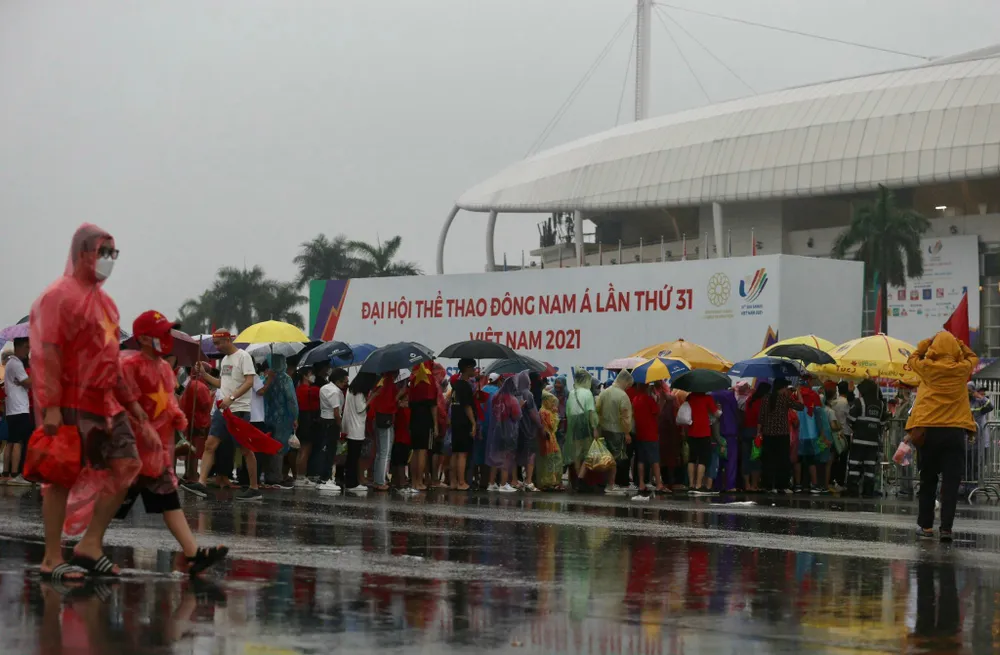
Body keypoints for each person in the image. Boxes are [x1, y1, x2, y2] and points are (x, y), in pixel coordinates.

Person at [30, 223, 146, 580]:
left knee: (126, 465)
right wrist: (51, 403)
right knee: (61, 474)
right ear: (82, 253)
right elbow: (48, 351)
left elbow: (112, 360)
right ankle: (52, 556)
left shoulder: (107, 304)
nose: (109, 260)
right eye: (103, 253)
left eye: (114, 254)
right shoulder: (58, 295)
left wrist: (133, 404)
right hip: (70, 399)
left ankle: (90, 543)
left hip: (105, 401)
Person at [117, 311, 228, 575]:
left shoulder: (165, 372)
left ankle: (192, 554)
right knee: (112, 500)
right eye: (160, 334)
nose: (165, 340)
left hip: (154, 452)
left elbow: (169, 405)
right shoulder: (129, 365)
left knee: (168, 500)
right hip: (132, 448)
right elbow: (121, 399)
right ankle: (87, 546)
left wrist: (178, 422)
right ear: (143, 339)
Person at [906, 331, 978, 541]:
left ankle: (926, 526)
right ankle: (946, 528)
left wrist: (926, 343)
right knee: (951, 483)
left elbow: (912, 358)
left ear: (934, 349)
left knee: (928, 480)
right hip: (955, 431)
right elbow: (973, 357)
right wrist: (960, 345)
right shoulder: (962, 369)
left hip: (929, 431)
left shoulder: (927, 368)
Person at [180, 329, 262, 502]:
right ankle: (201, 483)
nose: (217, 347)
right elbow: (221, 383)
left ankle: (254, 488)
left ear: (227, 340)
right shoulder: (225, 360)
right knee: (210, 445)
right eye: (215, 344)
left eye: (219, 343)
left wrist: (231, 398)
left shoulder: (243, 356)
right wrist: (204, 374)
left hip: (239, 410)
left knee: (245, 449)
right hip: (222, 410)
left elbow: (249, 382)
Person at [757, 378, 803, 494]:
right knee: (782, 461)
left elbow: (761, 417)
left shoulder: (765, 399)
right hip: (782, 434)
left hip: (768, 434)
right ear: (782, 388)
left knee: (768, 461)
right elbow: (801, 406)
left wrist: (758, 433)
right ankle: (781, 485)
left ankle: (768, 486)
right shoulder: (784, 399)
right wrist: (798, 392)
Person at [261, 353, 298, 489]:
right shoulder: (285, 379)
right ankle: (276, 477)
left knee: (267, 445)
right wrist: (295, 417)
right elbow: (291, 400)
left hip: (266, 416)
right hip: (282, 418)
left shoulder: (267, 377)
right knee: (279, 446)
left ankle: (266, 474)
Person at [595, 370, 633, 494]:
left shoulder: (604, 393)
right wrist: (627, 432)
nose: (628, 387)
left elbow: (597, 410)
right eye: (628, 385)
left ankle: (603, 482)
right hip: (617, 431)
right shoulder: (623, 396)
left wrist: (598, 427)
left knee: (605, 457)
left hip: (603, 429)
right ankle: (611, 485)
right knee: (614, 459)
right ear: (625, 382)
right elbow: (626, 416)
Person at [3, 337, 33, 485]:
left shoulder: (10, 363)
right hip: (19, 408)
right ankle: (15, 474)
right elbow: (28, 383)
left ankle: (6, 473)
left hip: (12, 409)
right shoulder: (16, 364)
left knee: (10, 441)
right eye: (27, 347)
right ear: (19, 346)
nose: (29, 351)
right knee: (18, 442)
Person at [565, 369, 600, 485]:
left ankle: (576, 479)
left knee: (576, 453)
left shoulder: (571, 392)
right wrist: (595, 428)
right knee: (588, 452)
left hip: (573, 424)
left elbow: (568, 411)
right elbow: (591, 412)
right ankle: (580, 478)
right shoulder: (587, 393)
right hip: (584, 423)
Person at [408, 361, 439, 491]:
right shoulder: (429, 378)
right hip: (425, 419)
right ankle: (420, 482)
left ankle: (414, 481)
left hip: (413, 418)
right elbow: (433, 404)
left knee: (415, 451)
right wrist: (436, 424)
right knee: (422, 451)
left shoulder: (413, 377)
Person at [179, 366, 213, 484]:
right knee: (195, 449)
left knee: (190, 448)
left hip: (190, 420)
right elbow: (206, 404)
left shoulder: (190, 384)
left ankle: (188, 472)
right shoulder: (201, 386)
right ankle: (192, 474)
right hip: (199, 421)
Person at [486, 376, 520, 492]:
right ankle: (503, 484)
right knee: (506, 457)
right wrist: (521, 406)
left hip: (496, 430)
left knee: (495, 457)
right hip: (508, 431)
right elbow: (517, 416)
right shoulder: (512, 399)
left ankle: (491, 483)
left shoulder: (496, 397)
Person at [317, 367, 348, 491]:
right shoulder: (335, 392)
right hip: (332, 422)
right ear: (338, 381)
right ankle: (326, 478)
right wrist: (341, 427)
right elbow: (336, 412)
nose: (346, 384)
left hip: (323, 419)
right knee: (330, 451)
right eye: (345, 381)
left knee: (324, 450)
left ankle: (322, 477)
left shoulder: (324, 388)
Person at [371, 371, 402, 491]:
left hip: (377, 417)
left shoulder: (381, 380)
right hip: (386, 419)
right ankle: (380, 481)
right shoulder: (388, 383)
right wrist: (399, 394)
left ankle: (377, 478)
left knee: (380, 452)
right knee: (385, 452)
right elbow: (389, 403)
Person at [686, 391, 721, 495]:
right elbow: (716, 413)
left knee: (692, 458)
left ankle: (691, 484)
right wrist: (719, 409)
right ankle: (698, 485)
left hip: (691, 431)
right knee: (702, 459)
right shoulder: (707, 398)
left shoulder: (690, 397)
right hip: (704, 432)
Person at [630, 382, 663, 495]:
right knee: (655, 460)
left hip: (640, 433)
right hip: (651, 434)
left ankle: (641, 483)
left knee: (641, 460)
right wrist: (658, 401)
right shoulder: (650, 400)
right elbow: (657, 413)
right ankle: (659, 484)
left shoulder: (635, 399)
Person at [449, 358, 477, 491]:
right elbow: (467, 406)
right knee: (462, 454)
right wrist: (473, 423)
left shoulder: (456, 385)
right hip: (463, 422)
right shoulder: (465, 386)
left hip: (455, 421)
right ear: (467, 368)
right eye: (473, 367)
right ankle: (461, 482)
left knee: (455, 453)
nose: (474, 370)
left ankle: (453, 481)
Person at [515, 370, 542, 492]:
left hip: (516, 429)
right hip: (528, 429)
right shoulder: (528, 394)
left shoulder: (515, 392)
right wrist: (541, 426)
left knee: (516, 454)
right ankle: (529, 481)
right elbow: (533, 414)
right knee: (531, 454)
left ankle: (516, 480)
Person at [711, 385, 741, 493]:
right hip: (730, 430)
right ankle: (730, 485)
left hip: (716, 431)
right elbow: (735, 410)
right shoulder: (729, 395)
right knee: (731, 460)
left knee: (718, 459)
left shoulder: (711, 394)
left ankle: (717, 484)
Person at [741, 383, 769, 492]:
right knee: (756, 458)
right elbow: (760, 419)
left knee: (746, 458)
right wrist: (759, 432)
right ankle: (754, 485)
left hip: (746, 431)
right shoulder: (762, 402)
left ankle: (747, 485)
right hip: (756, 433)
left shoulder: (749, 400)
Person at [536, 391, 564, 490]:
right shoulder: (546, 412)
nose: (552, 404)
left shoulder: (541, 410)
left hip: (544, 438)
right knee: (553, 460)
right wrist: (555, 414)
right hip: (549, 439)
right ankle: (551, 481)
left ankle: (545, 481)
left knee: (546, 460)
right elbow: (553, 426)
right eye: (551, 401)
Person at [657, 386, 683, 491]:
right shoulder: (672, 406)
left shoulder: (663, 407)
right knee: (672, 460)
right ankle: (672, 482)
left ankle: (667, 481)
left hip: (663, 437)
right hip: (671, 437)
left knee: (664, 460)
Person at [829, 381, 854, 488]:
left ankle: (831, 478)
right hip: (845, 434)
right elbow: (850, 417)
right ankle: (840, 481)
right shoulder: (846, 403)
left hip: (834, 434)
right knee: (843, 459)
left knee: (833, 457)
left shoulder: (833, 403)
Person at [392, 392, 417, 494]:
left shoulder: (399, 410)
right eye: (405, 400)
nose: (407, 402)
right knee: (401, 462)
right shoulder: (404, 411)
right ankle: (401, 482)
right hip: (403, 439)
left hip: (399, 439)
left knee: (397, 462)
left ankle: (396, 480)